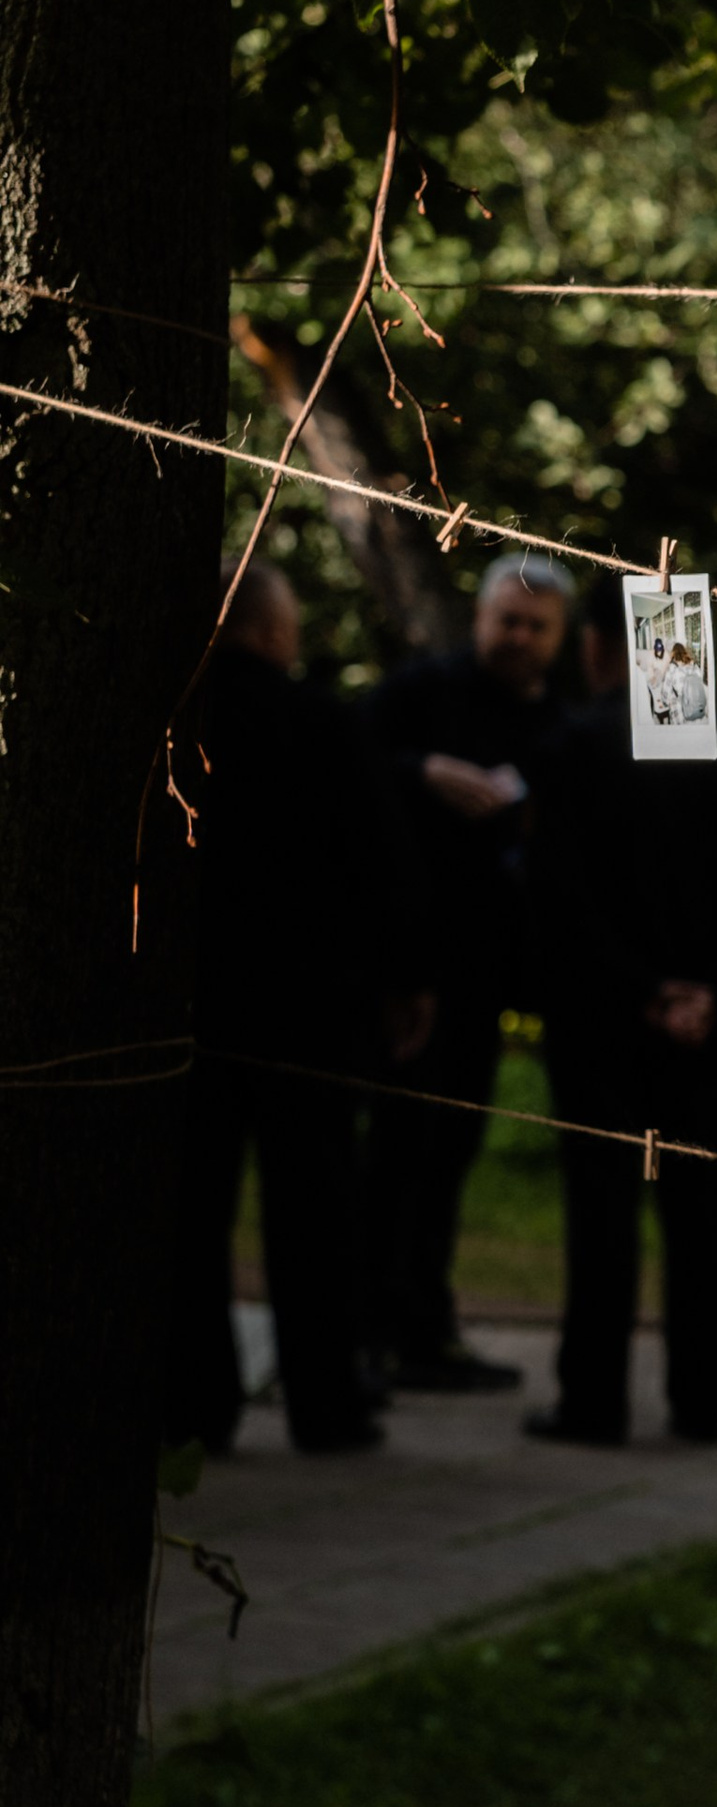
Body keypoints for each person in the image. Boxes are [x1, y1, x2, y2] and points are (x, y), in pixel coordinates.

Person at [171, 559, 430, 1457]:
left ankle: (192, 1405)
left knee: (191, 1212)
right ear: (274, 631)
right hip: (312, 1012)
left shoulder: (174, 722)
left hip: (193, 1007)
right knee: (316, 1211)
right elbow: (383, 858)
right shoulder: (320, 720)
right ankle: (326, 1404)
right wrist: (406, 981)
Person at [524, 583, 717, 1446]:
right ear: (690, 654)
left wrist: (643, 988)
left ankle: (594, 1402)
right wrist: (708, 990)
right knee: (700, 1215)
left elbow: (561, 896)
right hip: (701, 1028)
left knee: (602, 1212)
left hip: (602, 1022)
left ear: (599, 645)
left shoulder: (576, 745)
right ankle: (701, 1404)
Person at [363, 552, 575, 1390]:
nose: (519, 637)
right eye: (507, 621)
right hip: (408, 971)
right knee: (395, 1150)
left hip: (488, 977)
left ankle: (423, 1329)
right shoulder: (420, 693)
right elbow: (342, 768)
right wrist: (425, 771)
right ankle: (369, 1331)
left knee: (450, 1151)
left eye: (536, 627)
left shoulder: (560, 723)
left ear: (558, 637)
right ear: (481, 618)